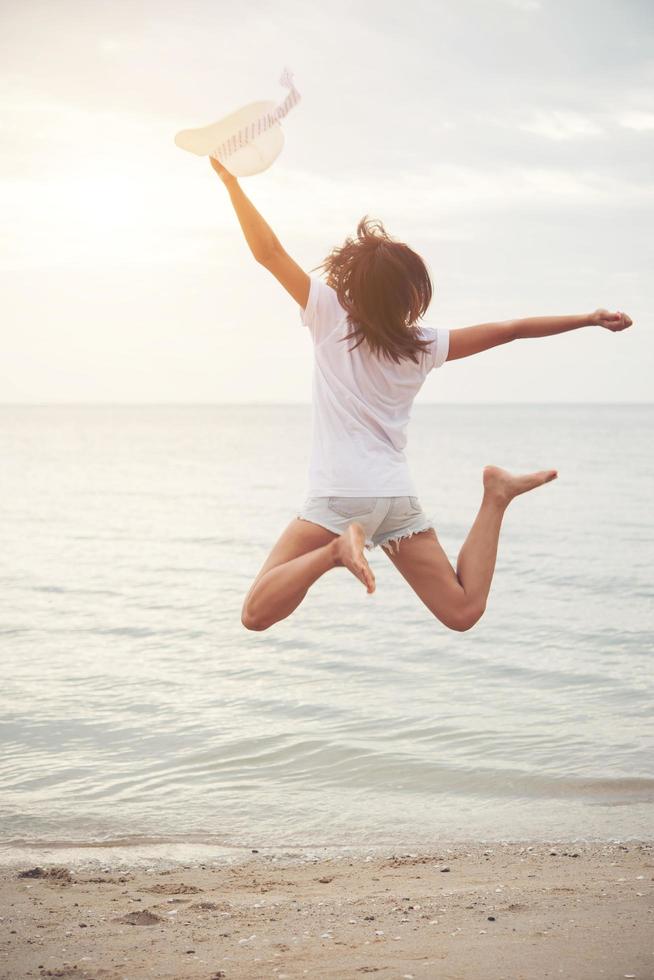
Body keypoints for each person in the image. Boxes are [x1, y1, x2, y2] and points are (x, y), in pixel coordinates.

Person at [209, 156, 632, 633]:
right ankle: (496, 496)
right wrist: (588, 318)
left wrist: (231, 184)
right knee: (463, 610)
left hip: (341, 495)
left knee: (255, 613)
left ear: (353, 285)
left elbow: (267, 252)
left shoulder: (328, 314)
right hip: (393, 496)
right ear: (410, 297)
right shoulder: (424, 346)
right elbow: (512, 329)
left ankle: (334, 551)